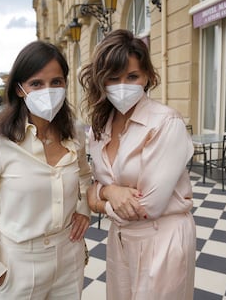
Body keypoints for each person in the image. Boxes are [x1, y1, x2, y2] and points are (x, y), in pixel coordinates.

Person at [0, 40, 91, 300]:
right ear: (20, 89)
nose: (48, 90)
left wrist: (83, 210)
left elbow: (84, 175)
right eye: (37, 83)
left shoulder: (75, 132)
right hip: (20, 263)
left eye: (56, 82)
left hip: (70, 255)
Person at [79, 29, 196, 300]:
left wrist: (97, 198)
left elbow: (147, 207)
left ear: (147, 77)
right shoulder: (100, 127)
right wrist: (111, 192)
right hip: (120, 238)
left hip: (161, 239)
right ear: (101, 82)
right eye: (113, 78)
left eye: (132, 77)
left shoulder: (166, 123)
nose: (123, 86)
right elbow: (93, 185)